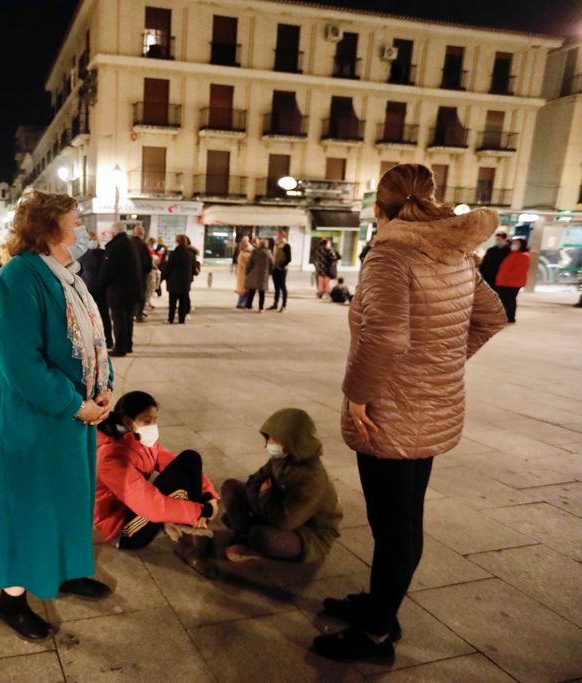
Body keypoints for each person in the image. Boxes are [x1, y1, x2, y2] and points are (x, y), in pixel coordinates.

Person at [314, 163, 506, 663]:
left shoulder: (391, 255)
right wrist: (440, 363)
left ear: (379, 208)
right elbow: (492, 315)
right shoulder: (455, 253)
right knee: (399, 519)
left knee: (395, 526)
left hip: (390, 411)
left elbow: (385, 336)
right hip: (430, 404)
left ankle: (377, 633)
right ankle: (378, 604)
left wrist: (357, 395)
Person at [0, 190, 114, 641]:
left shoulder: (69, 276)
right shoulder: (18, 279)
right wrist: (75, 403)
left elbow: (95, 338)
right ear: (48, 227)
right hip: (35, 419)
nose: (81, 229)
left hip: (74, 416)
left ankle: (66, 570)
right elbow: (20, 362)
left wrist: (105, 386)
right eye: (74, 221)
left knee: (70, 496)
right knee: (29, 505)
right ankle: (12, 598)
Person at [95, 391, 219, 552]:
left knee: (190, 458)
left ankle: (194, 523)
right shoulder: (110, 457)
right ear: (128, 421)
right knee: (168, 497)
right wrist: (202, 510)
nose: (152, 426)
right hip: (124, 529)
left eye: (155, 420)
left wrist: (209, 496)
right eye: (147, 421)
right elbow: (150, 505)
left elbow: (178, 463)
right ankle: (194, 528)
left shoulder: (139, 439)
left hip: (138, 507)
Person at [220, 408, 342, 564]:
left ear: (292, 441)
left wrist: (264, 497)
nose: (268, 445)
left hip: (307, 533)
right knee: (230, 487)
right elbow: (254, 481)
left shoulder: (312, 478)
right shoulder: (282, 458)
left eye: (273, 439)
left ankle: (250, 534)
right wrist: (261, 502)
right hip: (275, 509)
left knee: (261, 537)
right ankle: (245, 534)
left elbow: (286, 521)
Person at [100, 222, 142, 356]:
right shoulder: (130, 244)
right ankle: (128, 345)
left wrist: (101, 284)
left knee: (119, 320)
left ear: (113, 233)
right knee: (128, 319)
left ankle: (120, 348)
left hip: (119, 291)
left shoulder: (115, 247)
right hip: (132, 289)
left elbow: (108, 270)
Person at [77, 231, 113, 345]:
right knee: (105, 314)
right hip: (102, 288)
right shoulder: (104, 253)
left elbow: (78, 271)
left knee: (88, 316)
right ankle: (109, 340)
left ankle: (91, 340)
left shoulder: (83, 255)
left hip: (88, 288)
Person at [494, 237, 529, 323]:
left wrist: (504, 278)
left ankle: (510, 317)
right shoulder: (512, 254)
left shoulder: (524, 256)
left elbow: (519, 271)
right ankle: (505, 316)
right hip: (505, 282)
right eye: (513, 243)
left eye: (516, 243)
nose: (514, 245)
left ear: (522, 245)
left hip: (513, 283)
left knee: (509, 300)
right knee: (505, 300)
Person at [162, 234, 196, 324]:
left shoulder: (173, 254)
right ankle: (182, 319)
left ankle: (171, 319)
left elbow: (168, 267)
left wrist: (163, 276)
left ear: (177, 242)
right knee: (183, 302)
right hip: (185, 282)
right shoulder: (189, 255)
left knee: (172, 303)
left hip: (174, 282)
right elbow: (192, 268)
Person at [244, 238, 273, 312]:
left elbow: (250, 262)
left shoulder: (254, 252)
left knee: (252, 290)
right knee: (261, 292)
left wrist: (247, 271)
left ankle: (248, 305)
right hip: (263, 274)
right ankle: (261, 308)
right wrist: (269, 272)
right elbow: (272, 263)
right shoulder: (268, 253)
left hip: (254, 272)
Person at [131, 226, 153, 322]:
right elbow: (148, 261)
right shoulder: (143, 245)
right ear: (142, 234)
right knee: (140, 295)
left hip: (129, 275)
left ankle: (131, 313)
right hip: (140, 275)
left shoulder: (129, 243)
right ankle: (139, 314)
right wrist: (146, 272)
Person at [268, 230, 292, 312]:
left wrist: (281, 267)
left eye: (277, 235)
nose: (276, 236)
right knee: (276, 287)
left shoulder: (286, 245)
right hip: (275, 268)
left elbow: (289, 258)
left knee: (282, 287)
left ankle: (284, 305)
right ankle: (275, 304)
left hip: (282, 269)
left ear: (282, 236)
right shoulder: (276, 245)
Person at [234, 236, 253, 308]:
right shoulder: (243, 254)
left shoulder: (244, 254)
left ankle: (242, 303)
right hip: (244, 274)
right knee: (244, 290)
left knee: (245, 290)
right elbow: (244, 265)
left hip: (244, 274)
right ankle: (241, 303)